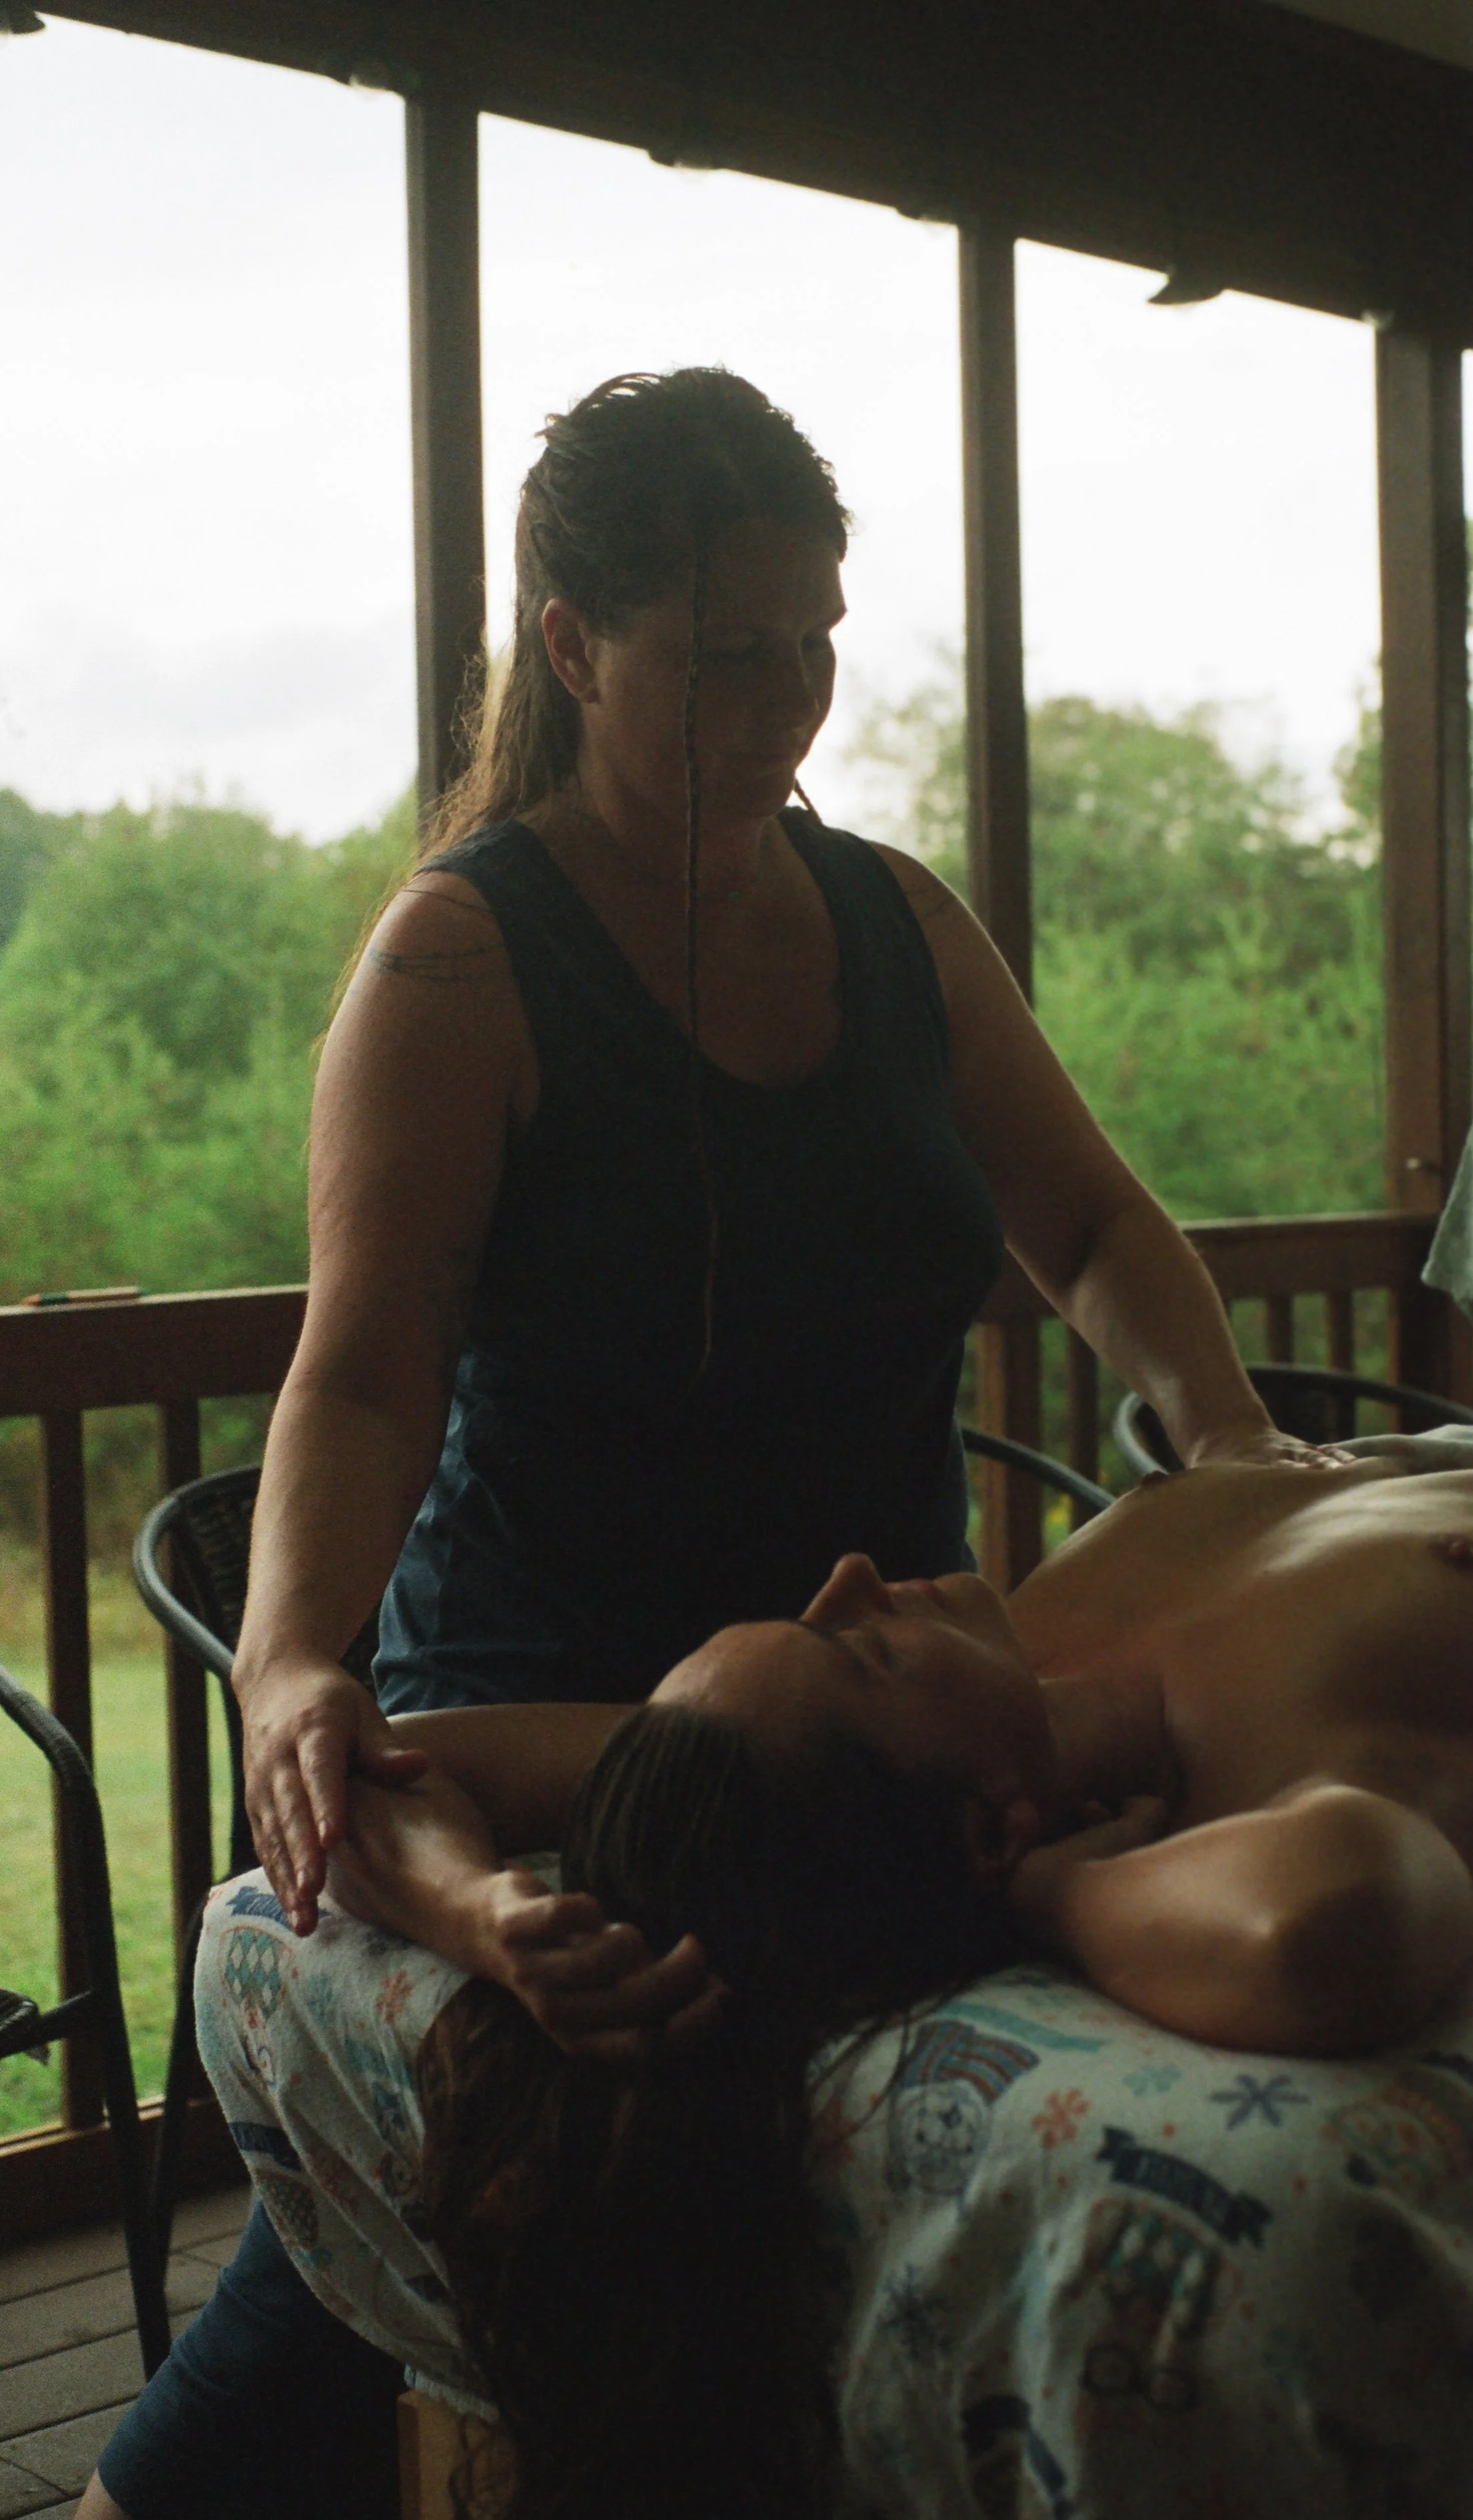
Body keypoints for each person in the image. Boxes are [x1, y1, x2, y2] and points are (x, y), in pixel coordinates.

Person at [81, 364, 1322, 2520]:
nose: (792, 697)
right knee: (490, 2213)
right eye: (728, 651)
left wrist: (1213, 1424)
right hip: (581, 1701)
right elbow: (362, 1373)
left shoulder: (897, 922)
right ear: (573, 647)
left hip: (875, 1712)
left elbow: (1100, 1224)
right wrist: (294, 1656)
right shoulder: (462, 963)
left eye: (818, 638)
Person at [162, 1433, 1473, 2520]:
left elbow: (389, 1763)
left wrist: (479, 1909)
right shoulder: (1277, 1753)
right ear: (989, 1830)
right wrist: (1058, 1893)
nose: (852, 1574)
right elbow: (1329, 1922)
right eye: (862, 1649)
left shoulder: (983, 1682)